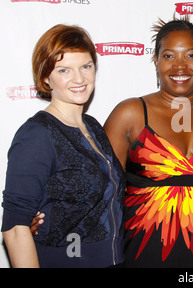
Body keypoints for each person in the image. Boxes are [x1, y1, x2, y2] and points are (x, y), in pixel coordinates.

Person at [103, 16, 193, 267]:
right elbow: (102, 189)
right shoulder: (131, 112)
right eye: (169, 56)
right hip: (144, 252)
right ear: (156, 61)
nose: (180, 66)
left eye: (191, 56)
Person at [1, 24, 125, 268]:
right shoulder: (37, 134)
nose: (79, 79)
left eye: (86, 67)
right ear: (46, 77)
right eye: (64, 70)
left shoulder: (94, 127)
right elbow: (15, 229)